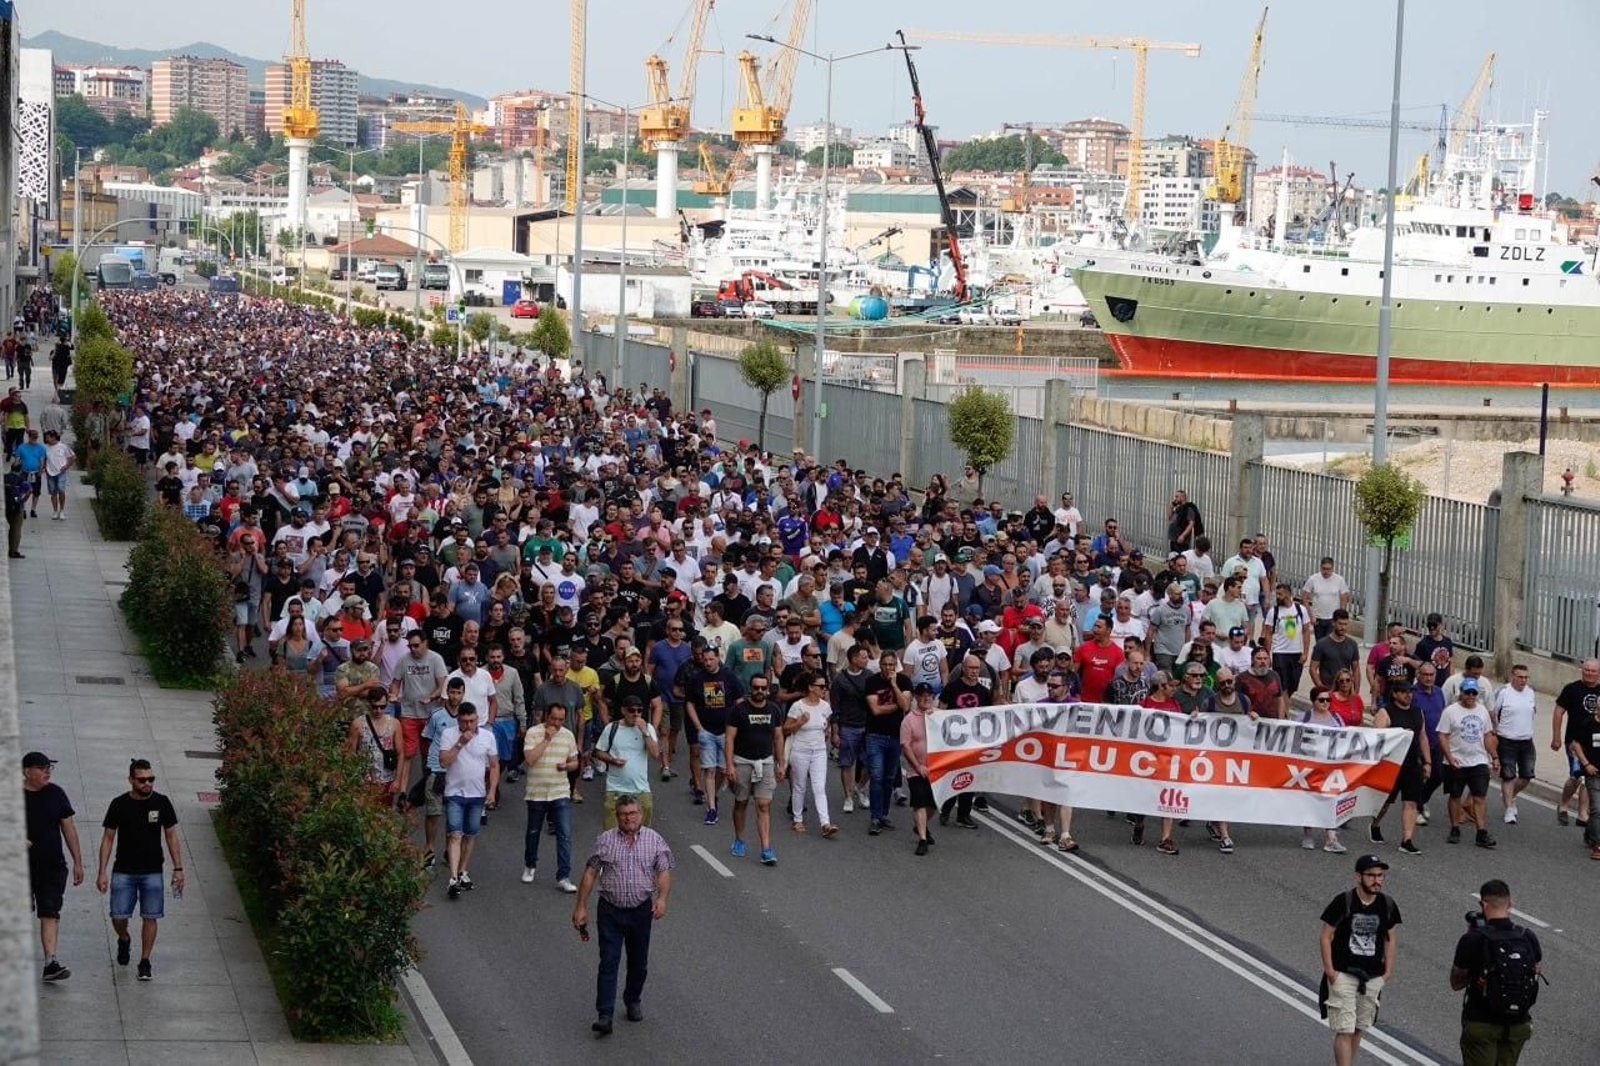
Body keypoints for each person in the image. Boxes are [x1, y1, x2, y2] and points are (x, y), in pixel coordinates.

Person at [572, 794, 674, 1036]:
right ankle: (604, 1015)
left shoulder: (654, 840)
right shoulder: (605, 841)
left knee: (638, 963)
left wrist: (661, 899)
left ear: (641, 814)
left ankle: (632, 1000)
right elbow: (590, 873)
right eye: (623, 814)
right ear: (616, 816)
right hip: (610, 911)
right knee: (609, 960)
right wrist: (580, 907)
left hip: (640, 911)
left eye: (633, 813)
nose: (628, 818)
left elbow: (663, 871)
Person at [97, 759, 182, 982]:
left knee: (150, 917)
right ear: (131, 780)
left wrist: (178, 868)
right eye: (142, 780)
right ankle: (124, 938)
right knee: (118, 915)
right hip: (123, 870)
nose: (147, 783)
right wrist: (102, 871)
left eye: (151, 779)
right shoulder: (119, 804)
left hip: (152, 871)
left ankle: (145, 961)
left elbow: (171, 835)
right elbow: (108, 838)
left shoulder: (162, 803)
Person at [1319, 854, 1402, 1066]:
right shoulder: (1344, 901)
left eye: (1380, 875)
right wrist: (1330, 971)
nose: (1377, 880)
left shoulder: (1387, 904)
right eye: (1371, 875)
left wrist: (1388, 972)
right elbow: (1326, 935)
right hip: (1344, 973)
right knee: (1344, 1029)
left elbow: (1390, 938)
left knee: (1359, 1028)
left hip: (1373, 976)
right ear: (1358, 877)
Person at [1450, 879, 1542, 1066]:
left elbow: (1456, 983)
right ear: (1510, 904)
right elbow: (1536, 972)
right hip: (1518, 1024)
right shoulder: (1527, 936)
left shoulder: (1474, 938)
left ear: (1483, 904)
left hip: (1482, 1023)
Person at [23, 751, 84, 982]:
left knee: (49, 912)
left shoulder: (56, 794)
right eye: (42, 768)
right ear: (27, 771)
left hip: (52, 866)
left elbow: (68, 828)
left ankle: (51, 963)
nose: (48, 771)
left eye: (49, 767)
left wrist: (78, 861)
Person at [438, 703, 499, 900]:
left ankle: (463, 871)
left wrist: (492, 791)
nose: (469, 725)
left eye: (472, 721)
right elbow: (443, 761)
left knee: (470, 834)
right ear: (458, 720)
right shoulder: (449, 734)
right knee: (455, 833)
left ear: (477, 720)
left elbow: (494, 765)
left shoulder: (488, 737)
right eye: (465, 721)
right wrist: (460, 743)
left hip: (477, 794)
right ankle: (453, 878)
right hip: (454, 792)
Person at [725, 674, 786, 865]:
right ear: (750, 688)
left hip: (765, 762)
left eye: (763, 688)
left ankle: (766, 848)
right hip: (742, 762)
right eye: (756, 688)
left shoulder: (774, 710)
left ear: (767, 689)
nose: (759, 691)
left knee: (763, 804)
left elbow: (778, 737)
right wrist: (729, 765)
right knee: (741, 803)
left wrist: (781, 763)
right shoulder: (738, 710)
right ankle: (739, 840)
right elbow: (729, 738)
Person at [521, 702, 581, 890]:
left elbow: (575, 762)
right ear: (546, 716)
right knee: (533, 832)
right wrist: (546, 740)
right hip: (536, 791)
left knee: (564, 834)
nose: (556, 723)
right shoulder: (533, 733)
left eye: (561, 720)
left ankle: (563, 876)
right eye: (553, 718)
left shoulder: (568, 735)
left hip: (560, 791)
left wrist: (567, 766)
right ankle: (530, 865)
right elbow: (529, 759)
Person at [1438, 679, 1499, 849]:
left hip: (1478, 760)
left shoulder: (1482, 711)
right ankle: (1455, 827)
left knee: (1479, 797)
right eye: (1468, 692)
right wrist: (1449, 758)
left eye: (1474, 693)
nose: (1471, 696)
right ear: (1461, 693)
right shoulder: (1450, 712)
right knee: (1455, 795)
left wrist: (1494, 756)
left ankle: (1481, 832)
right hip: (1456, 761)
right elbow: (1442, 735)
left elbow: (1487, 735)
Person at [784, 668, 837, 836]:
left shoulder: (825, 706)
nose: (824, 689)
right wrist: (799, 722)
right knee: (800, 786)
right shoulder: (797, 706)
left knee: (819, 787)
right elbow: (786, 729)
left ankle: (825, 823)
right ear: (811, 687)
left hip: (819, 751)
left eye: (825, 686)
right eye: (821, 686)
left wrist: (827, 731)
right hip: (800, 750)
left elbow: (826, 723)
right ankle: (797, 819)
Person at [594, 696, 661, 827]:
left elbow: (655, 754)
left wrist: (645, 732)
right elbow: (599, 752)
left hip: (641, 790)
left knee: (643, 836)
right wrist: (612, 760)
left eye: (639, 710)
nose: (636, 714)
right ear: (623, 710)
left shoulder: (648, 728)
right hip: (615, 790)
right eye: (631, 710)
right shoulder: (611, 728)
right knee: (612, 836)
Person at [1490, 665, 1537, 826]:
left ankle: (1508, 795)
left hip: (1526, 740)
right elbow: (1493, 712)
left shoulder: (1530, 692)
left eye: (1525, 677)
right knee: (1508, 775)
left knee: (1526, 776)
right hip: (1507, 739)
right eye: (1520, 677)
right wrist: (1495, 729)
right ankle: (1509, 809)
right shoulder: (1504, 692)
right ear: (1512, 676)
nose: (1523, 680)